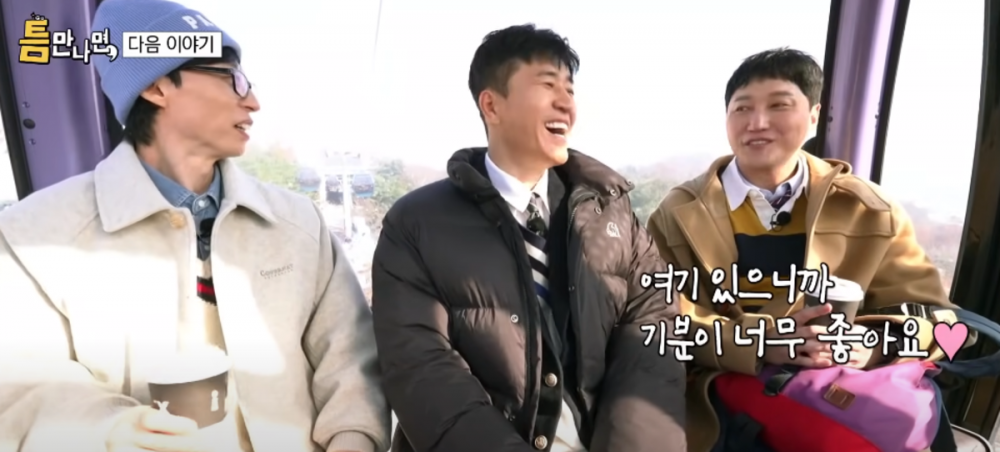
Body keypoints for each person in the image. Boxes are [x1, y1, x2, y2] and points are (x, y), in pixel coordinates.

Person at [0, 1, 390, 451]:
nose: (253, 101)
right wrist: (108, 432)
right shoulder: (35, 237)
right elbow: (18, 386)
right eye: (231, 78)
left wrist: (352, 440)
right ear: (157, 86)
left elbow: (350, 361)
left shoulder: (299, 225)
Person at [371, 24, 686, 452]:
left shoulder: (612, 213)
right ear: (491, 105)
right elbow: (422, 372)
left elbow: (654, 333)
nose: (566, 103)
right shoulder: (416, 225)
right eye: (547, 85)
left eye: (570, 90)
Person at [645, 48, 957, 452]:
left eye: (779, 105)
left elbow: (939, 320)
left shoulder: (869, 211)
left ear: (813, 115)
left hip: (840, 399)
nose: (757, 122)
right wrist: (762, 343)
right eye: (742, 108)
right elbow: (660, 324)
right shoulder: (678, 215)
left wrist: (878, 345)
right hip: (726, 403)